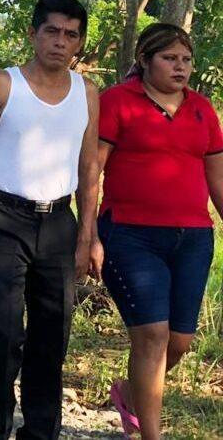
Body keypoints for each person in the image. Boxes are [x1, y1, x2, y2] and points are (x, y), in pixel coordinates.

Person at [0, 0, 99, 440]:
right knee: (1, 334)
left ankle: (40, 432)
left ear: (79, 43)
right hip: (4, 218)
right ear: (33, 33)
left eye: (70, 35)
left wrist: (87, 235)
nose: (60, 42)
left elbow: (89, 168)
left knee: (51, 338)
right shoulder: (3, 85)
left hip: (59, 221)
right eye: (52, 31)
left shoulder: (87, 94)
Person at [92, 23, 223, 440]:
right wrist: (87, 233)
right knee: (152, 334)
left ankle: (131, 392)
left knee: (179, 341)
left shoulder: (203, 110)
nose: (180, 67)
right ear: (145, 61)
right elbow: (91, 170)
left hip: (193, 238)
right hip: (130, 235)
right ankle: (151, 435)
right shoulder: (116, 102)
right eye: (170, 58)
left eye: (186, 60)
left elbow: (218, 181)